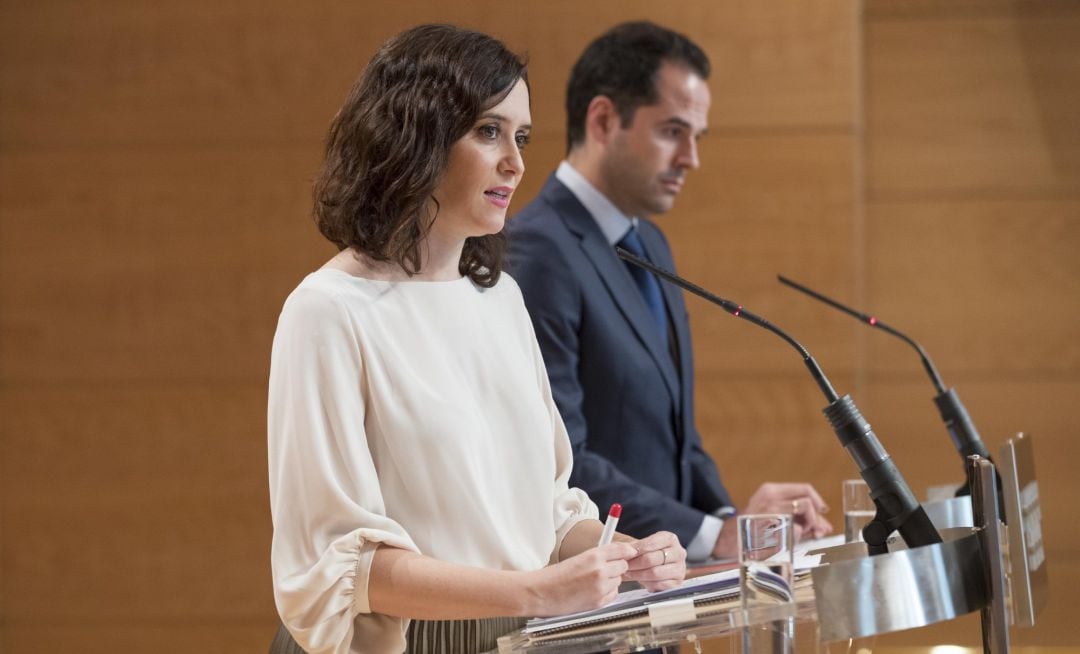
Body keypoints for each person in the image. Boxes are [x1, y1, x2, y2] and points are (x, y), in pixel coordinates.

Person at [267, 24, 686, 654]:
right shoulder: (328, 311)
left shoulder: (501, 298)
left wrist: (622, 555)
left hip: (532, 634)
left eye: (520, 137)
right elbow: (343, 567)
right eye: (488, 132)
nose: (516, 162)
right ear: (415, 136)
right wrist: (538, 591)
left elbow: (547, 508)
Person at [506, 21, 833, 563]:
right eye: (672, 131)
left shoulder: (648, 243)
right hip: (597, 595)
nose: (691, 158)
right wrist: (708, 536)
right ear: (604, 119)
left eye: (696, 137)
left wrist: (730, 523)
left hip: (664, 590)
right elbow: (564, 461)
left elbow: (679, 437)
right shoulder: (537, 250)